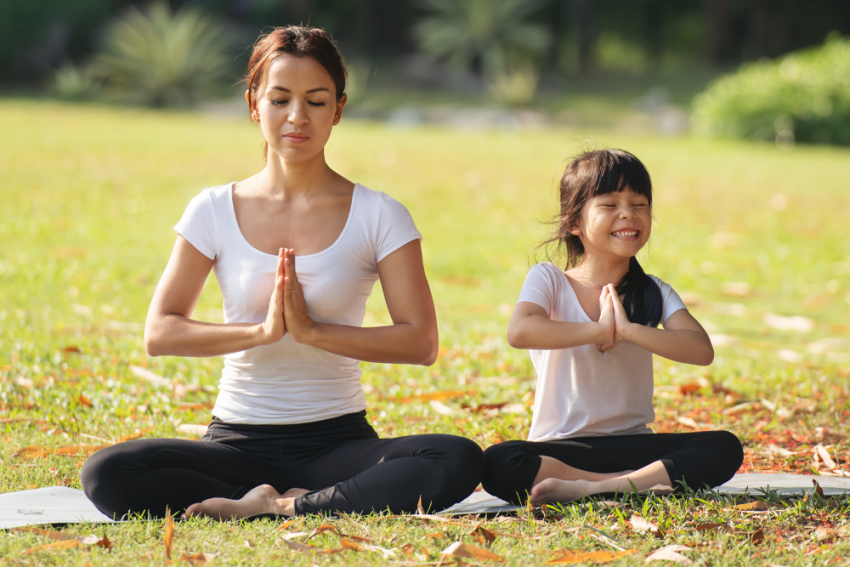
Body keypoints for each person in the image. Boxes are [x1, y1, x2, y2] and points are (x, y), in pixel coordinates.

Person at [81, 26, 484, 520]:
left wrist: (313, 332)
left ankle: (284, 506)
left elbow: (420, 342)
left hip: (336, 445)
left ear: (338, 109)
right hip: (235, 445)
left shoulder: (380, 215)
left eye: (316, 101)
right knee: (107, 472)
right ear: (254, 105)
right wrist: (262, 332)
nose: (298, 117)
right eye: (280, 99)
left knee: (455, 457)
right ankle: (283, 500)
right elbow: (160, 332)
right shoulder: (212, 209)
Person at [481, 149, 743, 506]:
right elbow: (521, 331)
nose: (628, 214)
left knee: (723, 447)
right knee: (500, 462)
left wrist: (629, 330)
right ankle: (627, 485)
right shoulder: (550, 280)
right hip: (563, 447)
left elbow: (700, 350)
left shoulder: (654, 291)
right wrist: (599, 331)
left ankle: (592, 489)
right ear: (574, 222)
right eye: (609, 204)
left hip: (634, 444)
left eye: (639, 204)